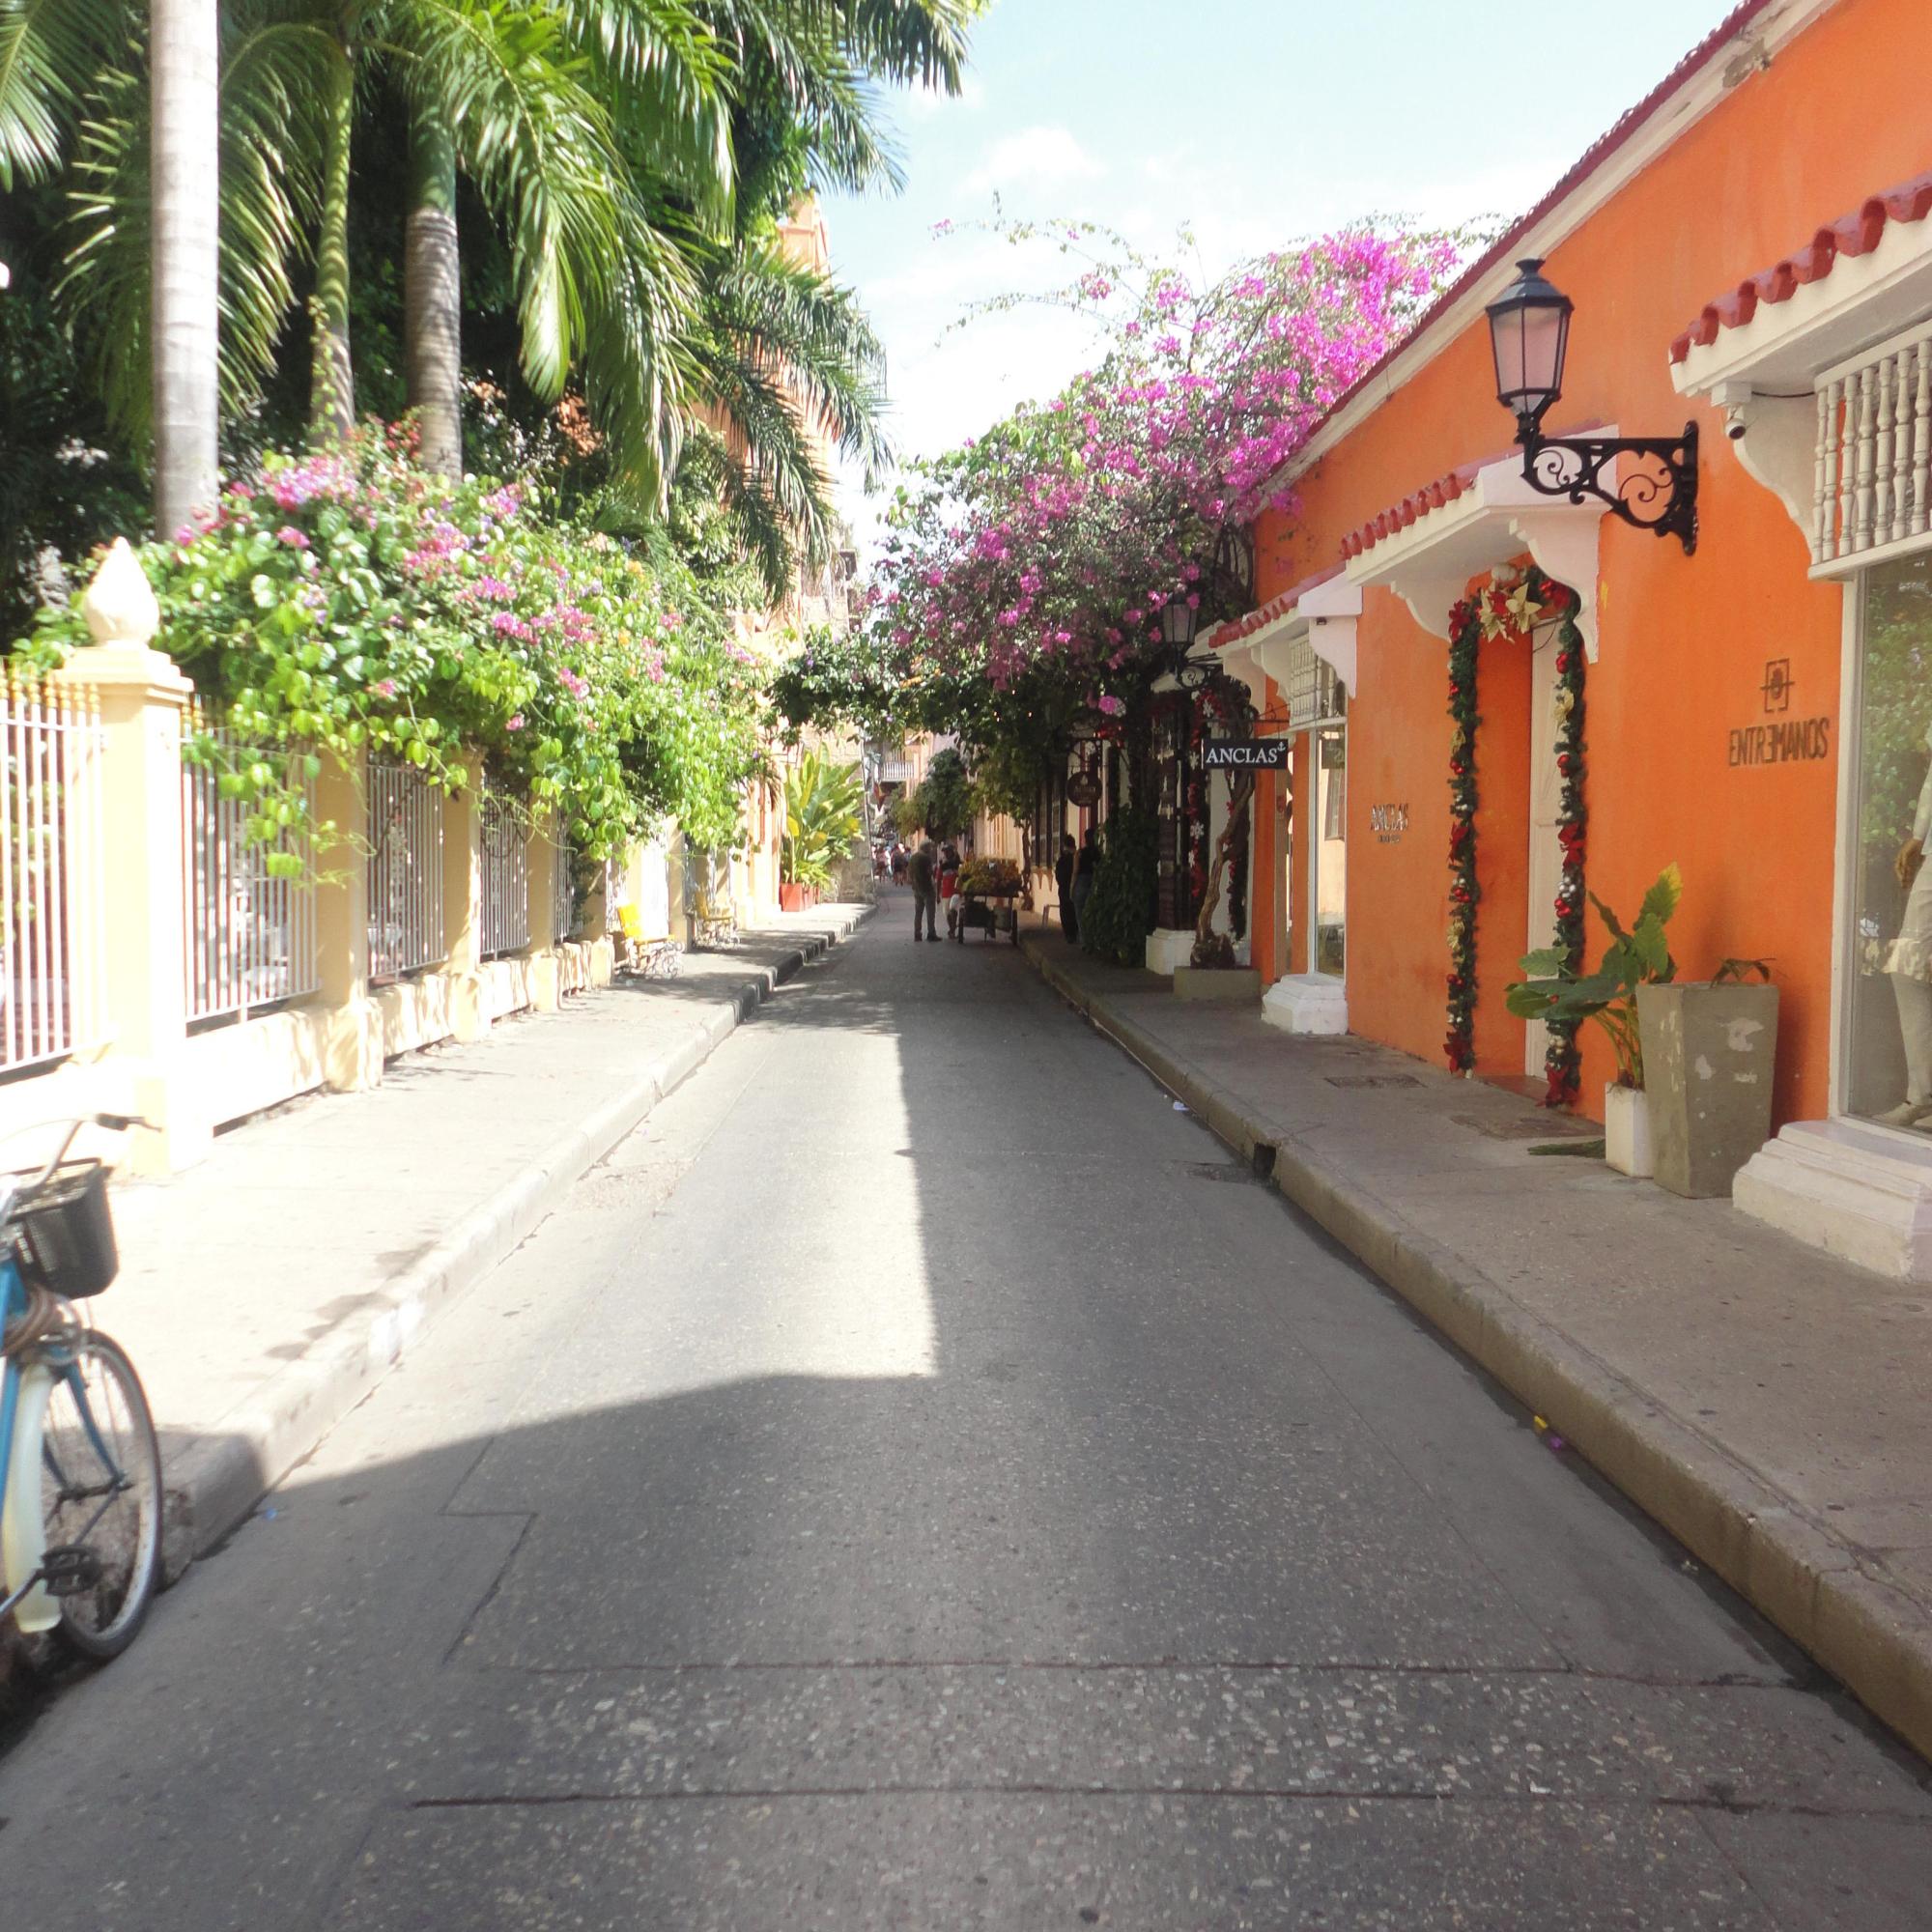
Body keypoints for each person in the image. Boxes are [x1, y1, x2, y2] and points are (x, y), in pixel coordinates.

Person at [907, 836, 940, 941]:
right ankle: (931, 933)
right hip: (927, 888)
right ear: (926, 848)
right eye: (930, 847)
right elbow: (930, 872)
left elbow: (909, 873)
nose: (931, 849)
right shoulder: (926, 858)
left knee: (918, 912)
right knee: (930, 913)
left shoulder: (913, 857)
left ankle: (917, 933)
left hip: (917, 888)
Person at [1072, 825, 1099, 936]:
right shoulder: (1098, 853)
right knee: (1094, 915)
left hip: (1081, 882)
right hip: (1094, 883)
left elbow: (1075, 871)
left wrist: (1072, 888)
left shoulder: (1080, 853)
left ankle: (1084, 940)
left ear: (1085, 839)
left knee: (1080, 915)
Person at [1054, 833, 1078, 943]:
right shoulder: (1077, 857)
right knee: (1074, 911)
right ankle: (1074, 933)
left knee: (1065, 912)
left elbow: (1058, 876)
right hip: (1075, 887)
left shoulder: (1062, 860)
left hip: (1064, 889)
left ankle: (1069, 934)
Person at [939, 840, 961, 934]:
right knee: (947, 912)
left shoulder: (958, 863)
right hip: (945, 892)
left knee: (953, 908)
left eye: (948, 851)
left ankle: (952, 929)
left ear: (952, 852)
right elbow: (938, 879)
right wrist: (937, 895)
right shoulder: (943, 864)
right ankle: (952, 928)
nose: (946, 853)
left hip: (955, 891)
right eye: (945, 852)